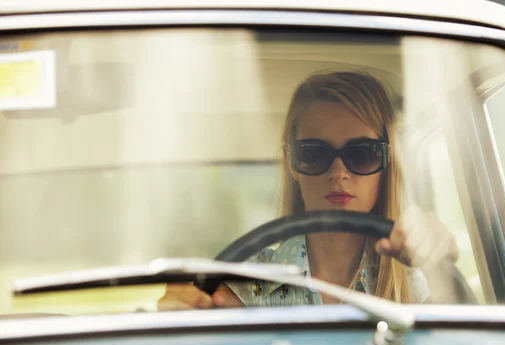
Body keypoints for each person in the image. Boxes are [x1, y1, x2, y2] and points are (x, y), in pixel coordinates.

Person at [158, 71, 458, 310]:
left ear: (386, 163)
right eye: (314, 154)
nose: (339, 172)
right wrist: (178, 323)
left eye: (363, 153)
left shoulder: (414, 282)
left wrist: (440, 261)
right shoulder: (242, 286)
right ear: (291, 162)